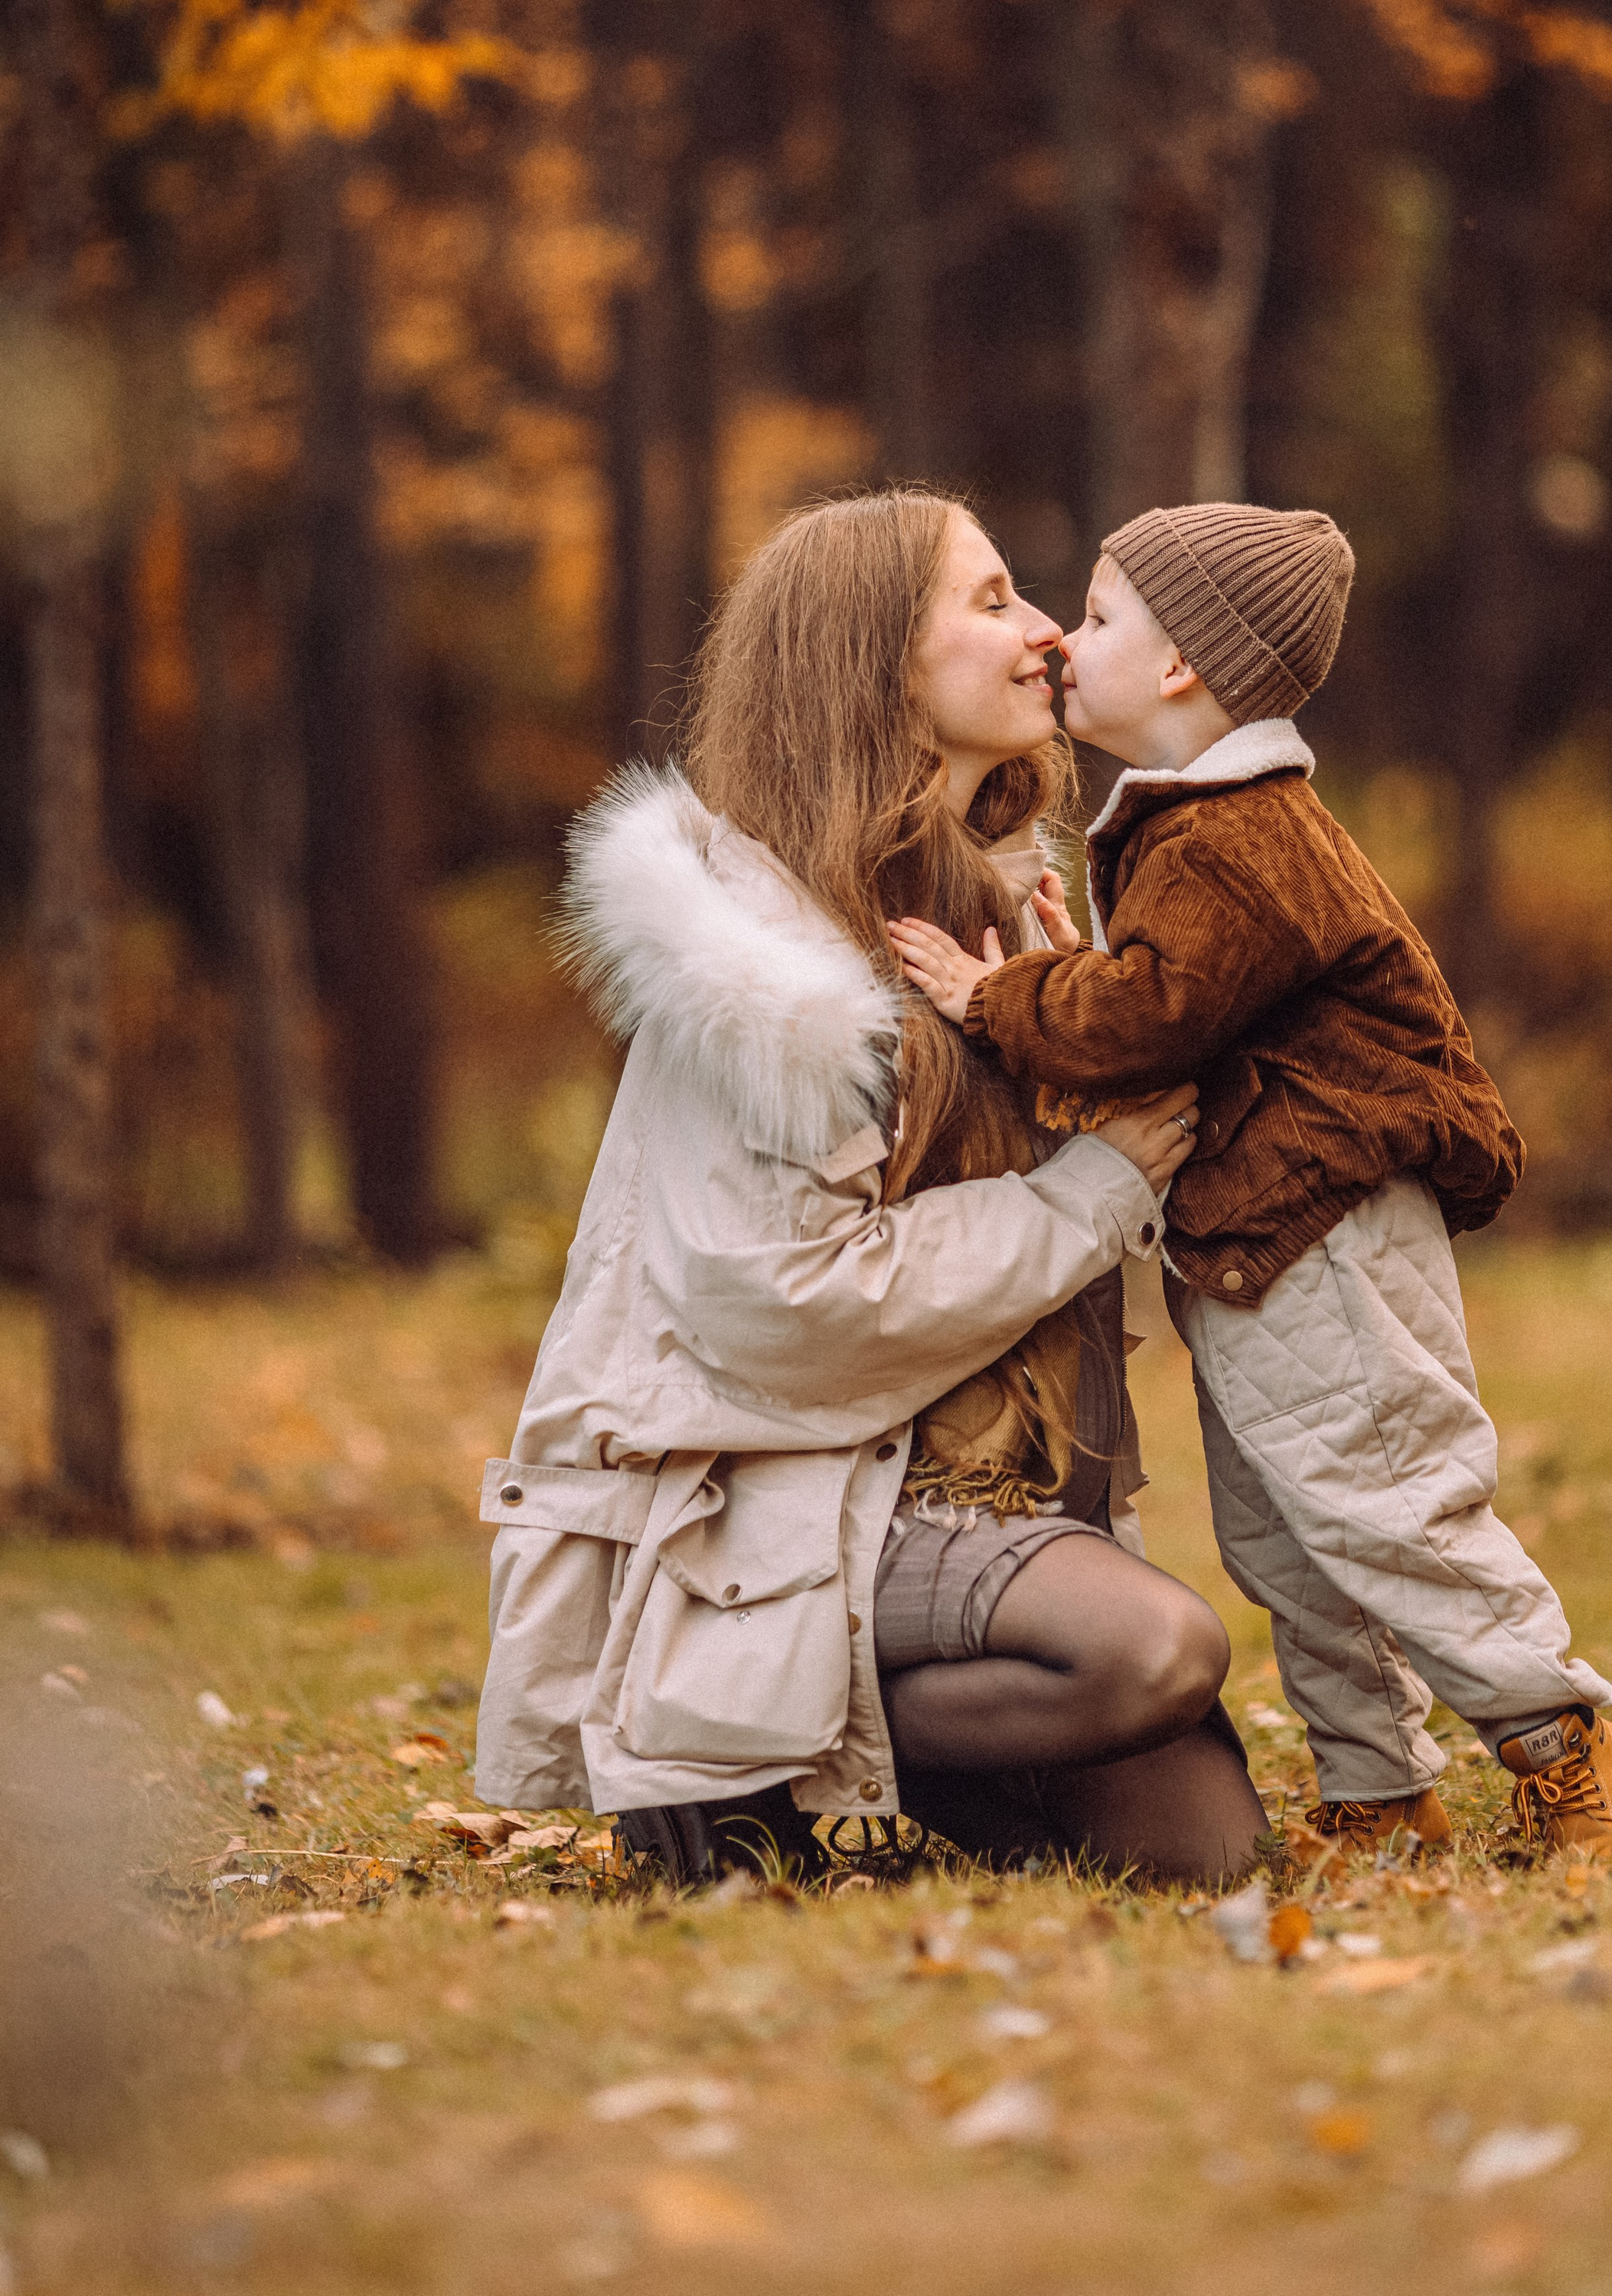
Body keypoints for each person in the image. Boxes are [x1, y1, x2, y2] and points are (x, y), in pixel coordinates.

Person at [473, 490, 1269, 1887]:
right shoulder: (760, 974)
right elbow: (778, 1301)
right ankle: (720, 1748)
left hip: (983, 1492)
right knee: (1160, 1650)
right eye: (992, 601)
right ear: (875, 667)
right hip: (787, 1502)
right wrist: (1082, 1196)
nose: (1041, 636)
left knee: (1201, 1852)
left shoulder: (1011, 914)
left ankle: (829, 1751)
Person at [889, 502, 1612, 1862]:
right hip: (1263, 1247)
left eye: (1105, 616)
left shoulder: (1245, 832)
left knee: (1383, 1500)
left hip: (1332, 1234)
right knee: (1291, 1540)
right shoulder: (1195, 828)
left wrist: (1003, 990)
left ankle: (1571, 1745)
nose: (1065, 639)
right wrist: (1086, 972)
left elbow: (1152, 1019)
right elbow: (1170, 1015)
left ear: (1184, 666)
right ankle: (1380, 1792)